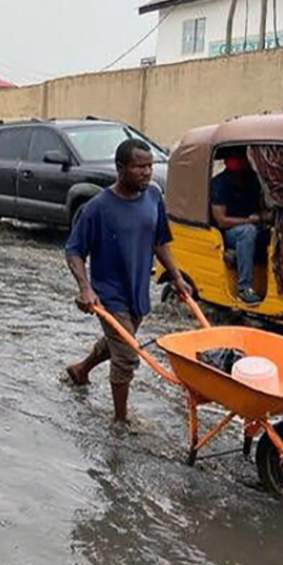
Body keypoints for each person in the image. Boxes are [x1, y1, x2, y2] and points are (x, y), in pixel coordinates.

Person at [65, 138, 191, 424]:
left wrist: (177, 277)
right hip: (109, 295)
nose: (147, 172)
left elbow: (160, 242)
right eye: (139, 167)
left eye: (150, 166)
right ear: (120, 168)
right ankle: (120, 421)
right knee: (127, 357)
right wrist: (85, 289)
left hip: (137, 290)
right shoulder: (97, 208)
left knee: (122, 341)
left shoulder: (154, 196)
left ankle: (81, 370)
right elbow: (73, 250)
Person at [211, 152, 266, 305]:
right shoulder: (219, 184)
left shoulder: (253, 179)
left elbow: (263, 207)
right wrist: (248, 220)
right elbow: (221, 220)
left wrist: (265, 216)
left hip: (254, 225)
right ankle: (244, 288)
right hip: (229, 232)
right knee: (247, 232)